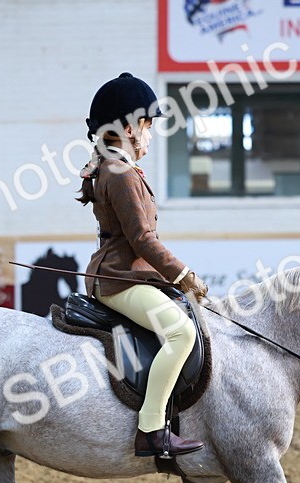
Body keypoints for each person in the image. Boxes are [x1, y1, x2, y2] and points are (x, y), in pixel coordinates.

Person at [77, 72, 210, 459]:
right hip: (118, 278)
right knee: (181, 334)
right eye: (148, 127)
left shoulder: (115, 168)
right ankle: (151, 429)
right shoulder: (120, 174)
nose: (151, 135)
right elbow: (142, 240)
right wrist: (183, 276)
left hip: (121, 273)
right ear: (129, 128)